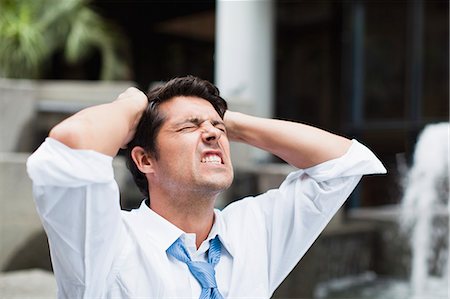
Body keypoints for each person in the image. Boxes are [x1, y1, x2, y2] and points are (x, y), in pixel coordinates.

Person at [27, 76, 386, 298]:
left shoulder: (253, 231)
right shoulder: (107, 242)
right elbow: (72, 145)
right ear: (145, 160)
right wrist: (132, 104)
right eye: (188, 127)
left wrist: (234, 125)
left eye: (218, 128)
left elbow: (343, 163)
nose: (213, 133)